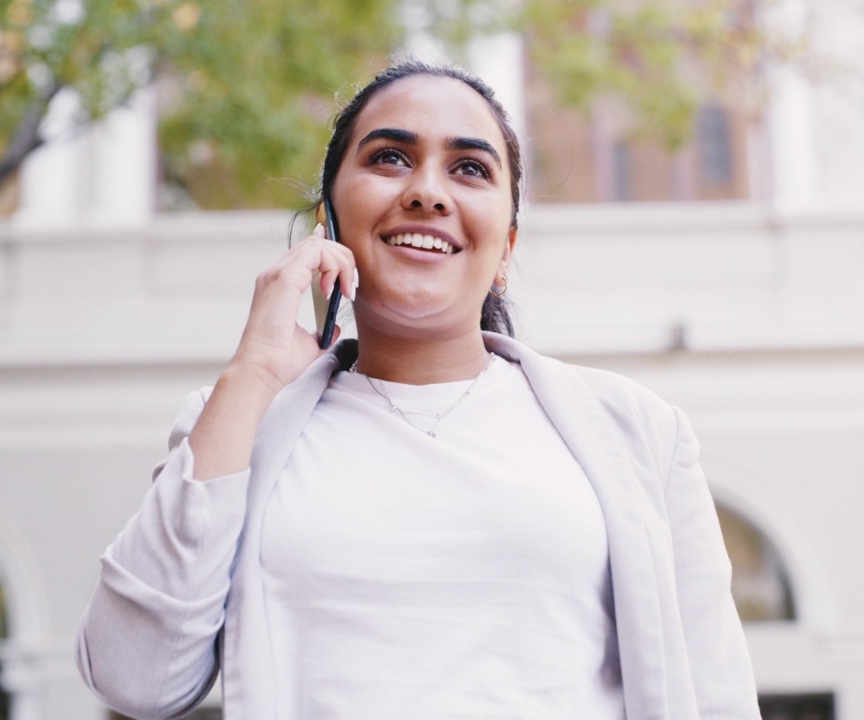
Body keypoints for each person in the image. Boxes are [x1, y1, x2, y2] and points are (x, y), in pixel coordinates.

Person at [76, 60, 760, 720]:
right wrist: (250, 375)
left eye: (469, 168)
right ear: (329, 222)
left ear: (507, 248)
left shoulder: (638, 432)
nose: (428, 192)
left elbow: (716, 697)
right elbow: (134, 678)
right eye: (390, 158)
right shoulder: (237, 424)